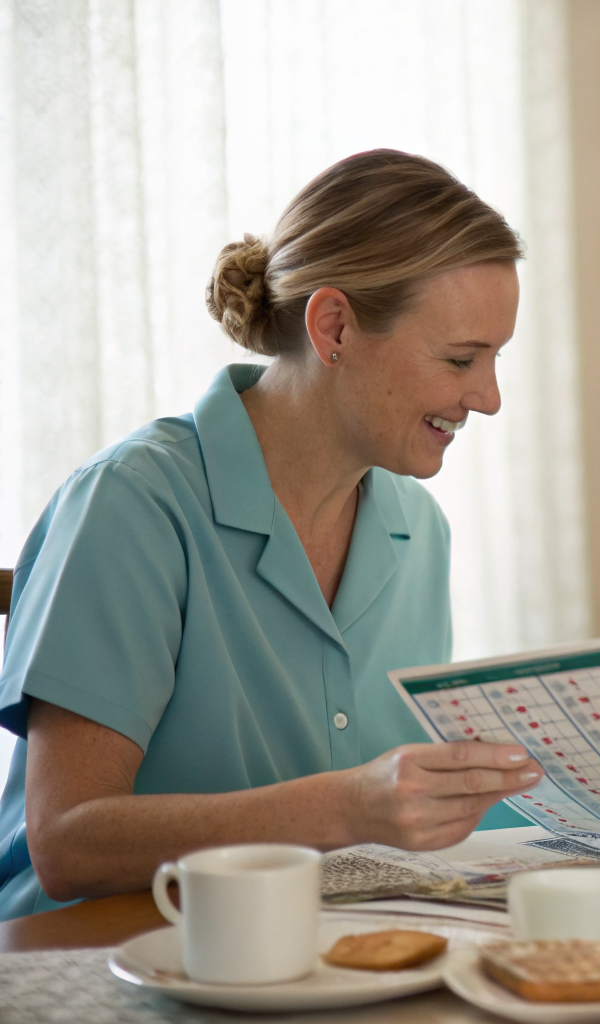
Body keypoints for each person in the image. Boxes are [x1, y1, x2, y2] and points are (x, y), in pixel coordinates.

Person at [0, 150, 544, 919]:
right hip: (98, 954)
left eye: (494, 358)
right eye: (461, 358)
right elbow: (66, 844)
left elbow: (385, 819)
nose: (487, 398)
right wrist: (347, 806)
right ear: (333, 328)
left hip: (306, 952)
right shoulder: (132, 504)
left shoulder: (419, 530)